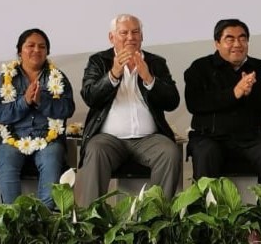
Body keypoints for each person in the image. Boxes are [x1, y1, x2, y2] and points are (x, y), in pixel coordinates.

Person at [77, 14, 182, 205]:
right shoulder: (98, 61)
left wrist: (149, 78)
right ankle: (91, 223)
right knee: (95, 149)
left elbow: (172, 101)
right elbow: (90, 96)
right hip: (109, 139)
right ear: (112, 38)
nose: (130, 37)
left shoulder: (156, 62)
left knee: (170, 152)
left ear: (142, 36)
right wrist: (113, 74)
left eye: (135, 32)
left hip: (148, 139)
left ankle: (156, 219)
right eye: (123, 33)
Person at [184, 18, 261, 188]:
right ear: (217, 43)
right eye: (230, 39)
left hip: (252, 139)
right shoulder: (199, 68)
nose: (237, 44)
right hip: (211, 137)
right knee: (205, 153)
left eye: (242, 38)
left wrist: (252, 93)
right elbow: (194, 103)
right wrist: (235, 93)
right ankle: (204, 212)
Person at [0, 28, 75, 208]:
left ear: (47, 52)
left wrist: (41, 101)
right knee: (6, 161)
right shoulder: (6, 77)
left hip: (48, 140)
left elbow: (68, 108)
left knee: (52, 157)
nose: (36, 50)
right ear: (20, 50)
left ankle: (45, 222)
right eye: (30, 45)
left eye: (42, 47)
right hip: (13, 138)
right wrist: (25, 101)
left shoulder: (57, 77)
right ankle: (13, 218)